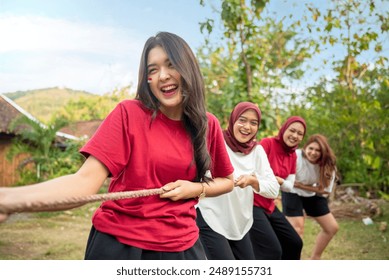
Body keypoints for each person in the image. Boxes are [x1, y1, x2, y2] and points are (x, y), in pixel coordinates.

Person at [0, 31, 235, 260]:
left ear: (188, 68)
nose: (162, 75)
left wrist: (195, 189)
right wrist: (8, 199)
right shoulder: (128, 113)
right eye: (153, 70)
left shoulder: (207, 124)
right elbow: (83, 183)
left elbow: (227, 181)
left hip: (183, 248)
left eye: (171, 64)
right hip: (120, 246)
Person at [196, 102, 279, 260]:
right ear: (232, 120)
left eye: (253, 123)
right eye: (242, 120)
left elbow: (274, 189)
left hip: (239, 222)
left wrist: (252, 181)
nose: (247, 127)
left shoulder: (257, 151)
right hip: (210, 216)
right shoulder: (216, 140)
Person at [250, 116, 306, 260]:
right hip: (252, 204)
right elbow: (253, 171)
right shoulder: (267, 144)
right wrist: (280, 181)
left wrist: (276, 180)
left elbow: (289, 187)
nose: (295, 136)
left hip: (270, 205)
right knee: (272, 250)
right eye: (292, 130)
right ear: (284, 129)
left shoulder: (293, 155)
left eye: (300, 134)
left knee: (295, 243)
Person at [282, 133, 339, 260]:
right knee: (297, 229)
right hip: (291, 191)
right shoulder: (295, 156)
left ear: (323, 152)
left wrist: (302, 186)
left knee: (332, 227)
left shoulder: (328, 164)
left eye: (318, 150)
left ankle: (315, 258)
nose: (313, 152)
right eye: (311, 148)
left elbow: (324, 190)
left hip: (310, 192)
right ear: (305, 148)